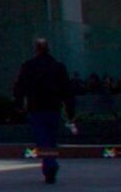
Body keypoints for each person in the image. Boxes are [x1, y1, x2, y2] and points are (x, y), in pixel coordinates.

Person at [12, 37, 75, 184]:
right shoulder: (58, 67)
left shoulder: (28, 66)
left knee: (41, 138)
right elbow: (66, 90)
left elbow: (20, 87)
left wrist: (18, 104)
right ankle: (50, 163)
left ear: (36, 49)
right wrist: (70, 110)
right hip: (53, 107)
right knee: (51, 138)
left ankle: (49, 164)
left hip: (36, 108)